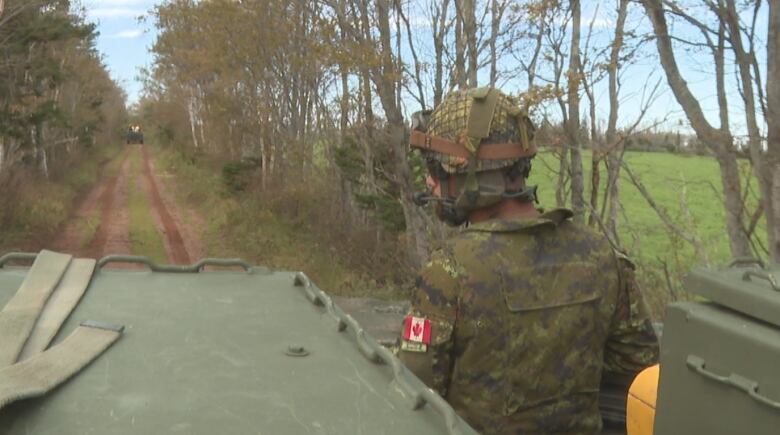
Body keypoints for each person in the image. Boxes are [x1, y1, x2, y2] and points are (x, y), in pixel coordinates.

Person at [399, 87, 659, 434]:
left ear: (474, 172)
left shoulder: (450, 271)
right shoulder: (601, 255)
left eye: (437, 168)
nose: (430, 182)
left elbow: (412, 395)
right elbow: (640, 373)